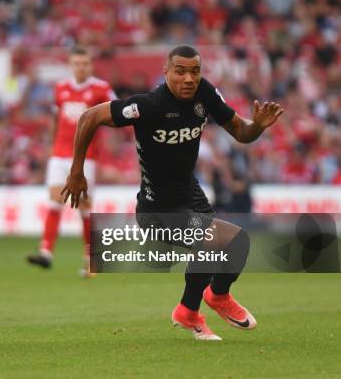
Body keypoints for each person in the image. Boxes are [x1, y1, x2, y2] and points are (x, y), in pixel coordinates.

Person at [61, 45, 283, 340]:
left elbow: (241, 132)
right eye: (180, 71)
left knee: (231, 246)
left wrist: (257, 126)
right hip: (157, 208)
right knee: (220, 241)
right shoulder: (149, 105)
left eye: (194, 71)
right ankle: (192, 310)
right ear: (166, 72)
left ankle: (208, 302)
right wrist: (77, 171)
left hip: (190, 195)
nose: (189, 78)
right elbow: (89, 117)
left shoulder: (205, 93)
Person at [26, 46, 116, 277]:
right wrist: (51, 146)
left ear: (91, 65)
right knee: (55, 201)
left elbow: (117, 114)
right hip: (59, 153)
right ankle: (46, 252)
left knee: (84, 207)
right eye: (76, 63)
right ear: (71, 65)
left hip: (87, 156)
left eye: (85, 63)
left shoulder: (101, 89)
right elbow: (57, 118)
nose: (81, 67)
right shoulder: (61, 88)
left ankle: (90, 260)